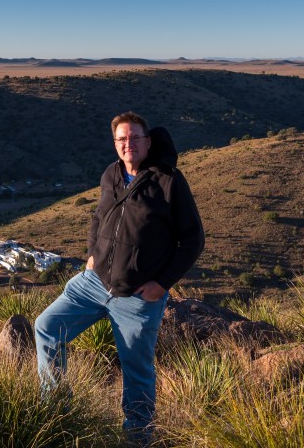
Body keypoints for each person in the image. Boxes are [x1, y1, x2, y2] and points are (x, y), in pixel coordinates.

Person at [34, 111, 205, 445]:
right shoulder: (111, 174)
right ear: (115, 143)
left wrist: (162, 284)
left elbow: (193, 239)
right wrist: (92, 255)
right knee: (46, 328)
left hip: (137, 297)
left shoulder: (169, 181)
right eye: (123, 139)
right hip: (94, 284)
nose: (130, 144)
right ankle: (56, 414)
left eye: (136, 137)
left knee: (137, 372)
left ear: (148, 141)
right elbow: (99, 217)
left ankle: (138, 438)